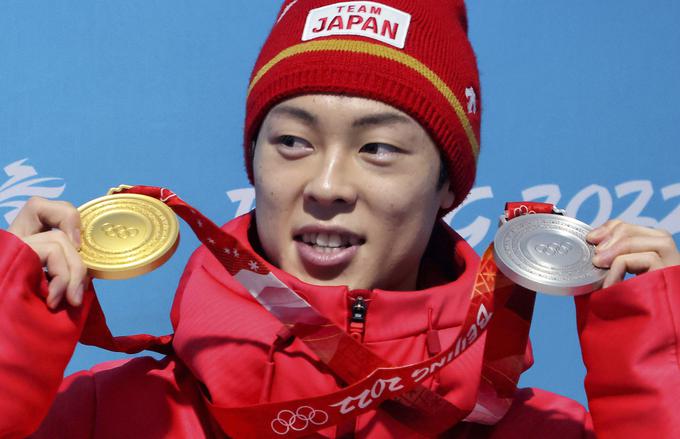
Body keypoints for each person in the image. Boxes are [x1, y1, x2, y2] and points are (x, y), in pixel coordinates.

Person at [1, 0, 680, 437]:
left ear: (448, 186)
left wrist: (655, 376)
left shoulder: (550, 433)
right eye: (292, 141)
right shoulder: (107, 417)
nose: (325, 184)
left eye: (378, 148)